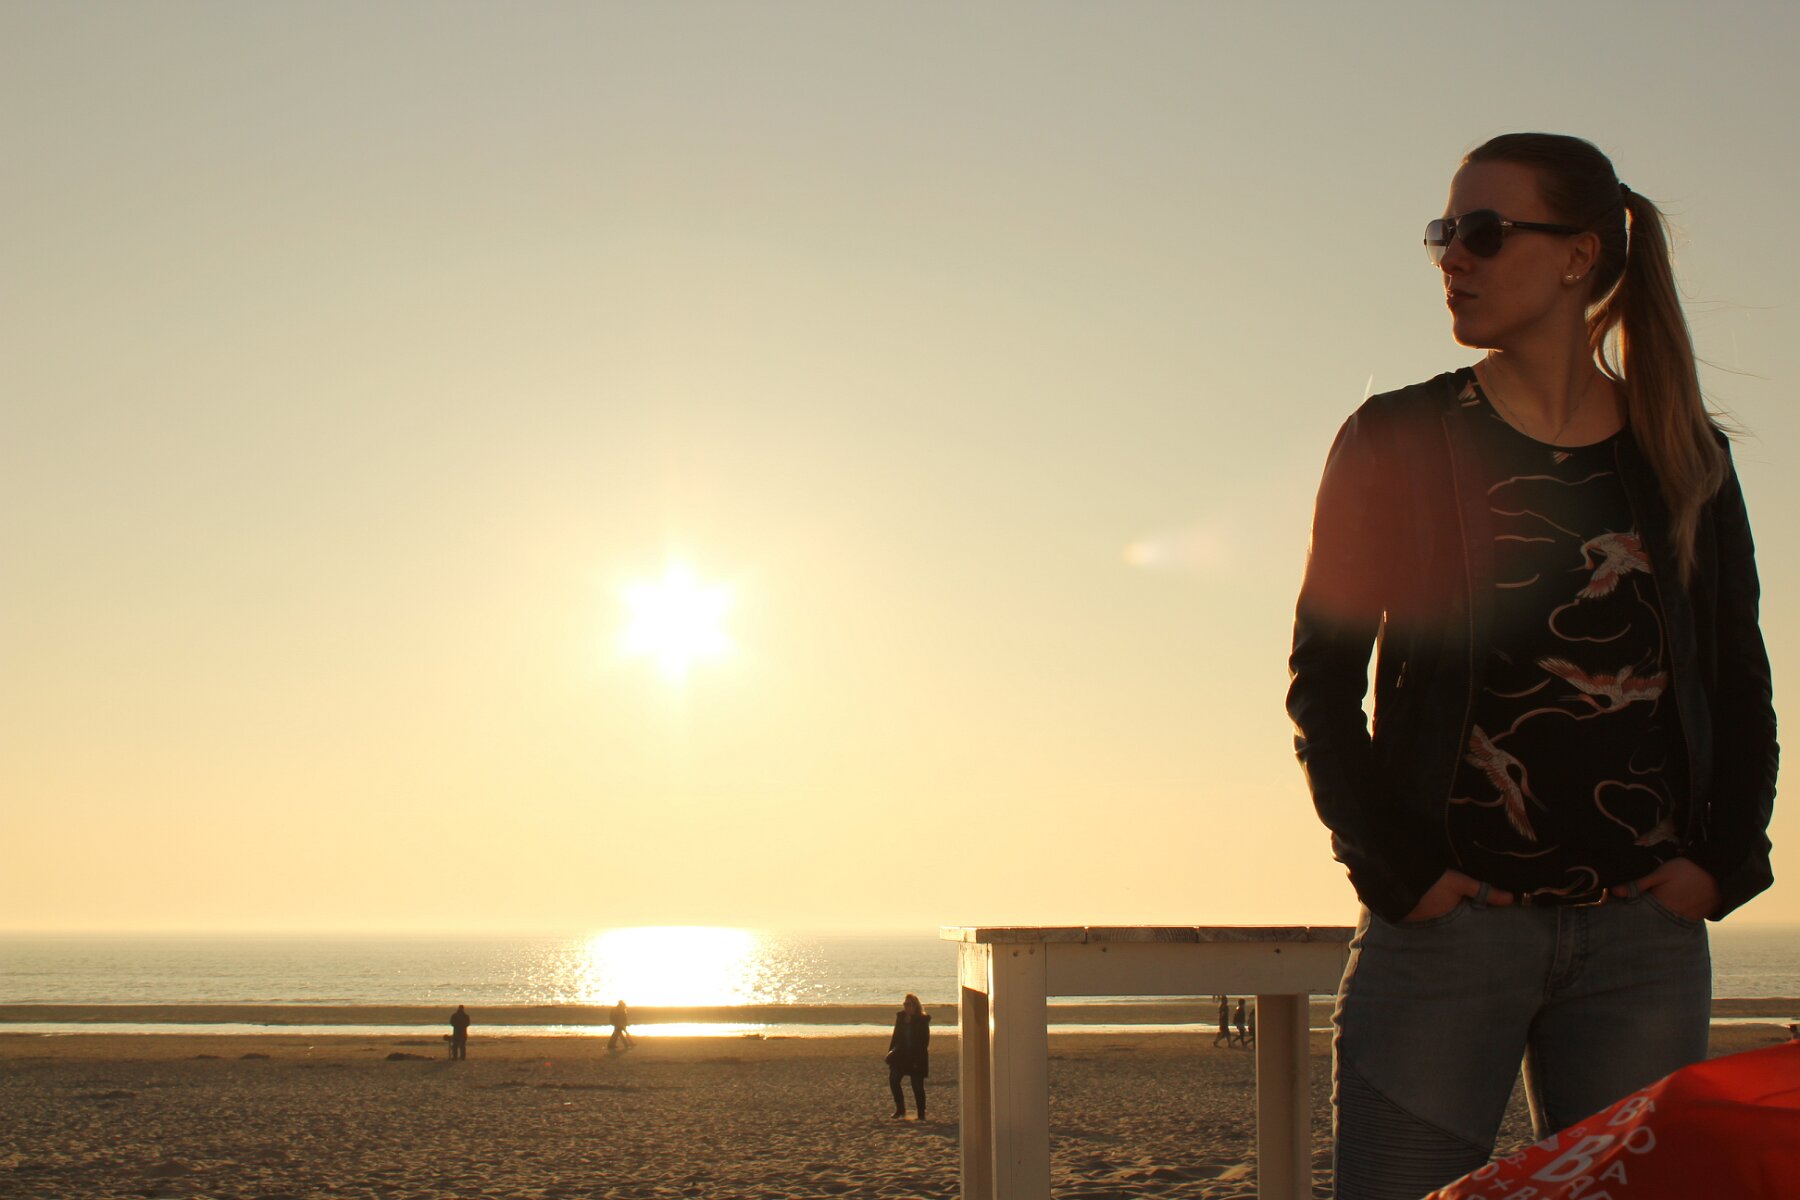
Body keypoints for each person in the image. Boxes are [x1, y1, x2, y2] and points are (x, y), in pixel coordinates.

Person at [1288, 132, 1777, 1199]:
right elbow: (1321, 682)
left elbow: (1738, 678)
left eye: (1483, 232)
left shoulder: (1685, 456)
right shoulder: (1397, 438)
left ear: (1578, 256)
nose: (1453, 258)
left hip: (1642, 945)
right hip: (1445, 941)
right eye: (1444, 234)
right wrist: (1398, 873)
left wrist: (1722, 862)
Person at [886, 993, 930, 1120]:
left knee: (917, 1086)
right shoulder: (901, 1018)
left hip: (917, 1057)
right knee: (894, 1080)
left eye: (908, 1004)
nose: (906, 1007)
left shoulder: (922, 1020)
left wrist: (917, 1059)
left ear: (915, 1006)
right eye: (905, 1004)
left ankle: (921, 1113)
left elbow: (924, 1042)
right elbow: (895, 1037)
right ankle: (900, 1109)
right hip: (901, 1055)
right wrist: (890, 1053)